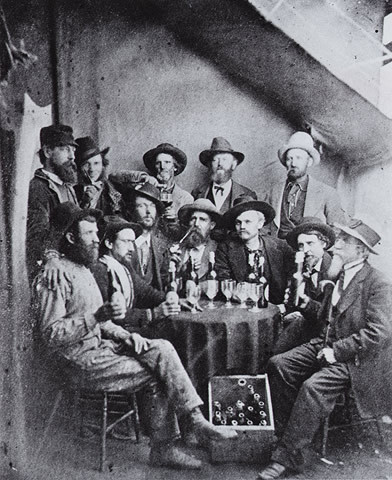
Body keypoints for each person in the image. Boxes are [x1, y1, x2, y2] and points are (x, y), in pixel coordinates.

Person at [33, 203, 237, 471]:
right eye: (90, 234)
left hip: (99, 349)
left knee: (161, 348)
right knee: (157, 373)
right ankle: (164, 448)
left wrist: (125, 336)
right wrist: (96, 317)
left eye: (97, 233)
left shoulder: (84, 269)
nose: (97, 240)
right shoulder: (55, 273)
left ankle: (195, 418)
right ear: (71, 238)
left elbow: (102, 321)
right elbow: (51, 334)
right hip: (74, 361)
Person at [258, 219, 392, 480]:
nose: (336, 245)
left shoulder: (378, 283)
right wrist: (307, 304)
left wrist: (338, 351)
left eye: (344, 241)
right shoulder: (340, 274)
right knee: (279, 364)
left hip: (356, 360)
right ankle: (291, 441)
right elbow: (327, 318)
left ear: (362, 251)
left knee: (313, 387)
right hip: (326, 343)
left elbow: (380, 333)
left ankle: (286, 455)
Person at [263, 131, 346, 239]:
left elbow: (337, 230)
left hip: (308, 250)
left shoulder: (327, 193)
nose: (293, 164)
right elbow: (263, 225)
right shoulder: (273, 192)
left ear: (309, 162)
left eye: (298, 158)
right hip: (278, 250)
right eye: (289, 158)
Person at [273, 217, 335, 354]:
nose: (305, 249)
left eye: (310, 243)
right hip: (303, 327)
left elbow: (332, 314)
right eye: (301, 245)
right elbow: (292, 302)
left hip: (327, 337)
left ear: (324, 243)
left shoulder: (335, 271)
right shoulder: (299, 269)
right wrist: (289, 314)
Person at [215, 196, 293, 305]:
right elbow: (223, 281)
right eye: (238, 222)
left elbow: (293, 279)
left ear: (260, 223)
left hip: (277, 308)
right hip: (240, 308)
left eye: (247, 222)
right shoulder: (225, 248)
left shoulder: (281, 247)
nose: (242, 226)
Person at [26, 124, 78, 281]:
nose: (72, 156)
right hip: (53, 270)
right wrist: (51, 257)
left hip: (72, 265)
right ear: (47, 151)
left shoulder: (68, 187)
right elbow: (36, 234)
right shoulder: (38, 188)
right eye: (64, 149)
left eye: (73, 150)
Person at [192, 137, 257, 213]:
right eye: (215, 160)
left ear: (233, 164)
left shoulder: (247, 194)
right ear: (209, 164)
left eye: (224, 159)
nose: (220, 164)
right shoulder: (197, 193)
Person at [127, 183, 171, 291]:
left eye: (152, 206)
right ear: (132, 211)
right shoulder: (124, 244)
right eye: (141, 205)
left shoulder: (161, 246)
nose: (148, 211)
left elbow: (165, 282)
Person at [172, 198, 221, 283]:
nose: (196, 224)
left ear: (212, 225)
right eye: (193, 219)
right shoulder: (176, 249)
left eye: (202, 219)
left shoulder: (219, 250)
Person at [74, 136, 123, 215]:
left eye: (96, 163)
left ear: (103, 165)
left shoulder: (113, 189)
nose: (92, 169)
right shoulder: (72, 191)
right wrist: (85, 202)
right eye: (86, 164)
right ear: (78, 167)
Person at [143, 143, 193, 218]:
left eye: (167, 162)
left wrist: (176, 218)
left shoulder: (186, 198)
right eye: (158, 163)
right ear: (154, 167)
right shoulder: (144, 193)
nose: (162, 166)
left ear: (175, 167)